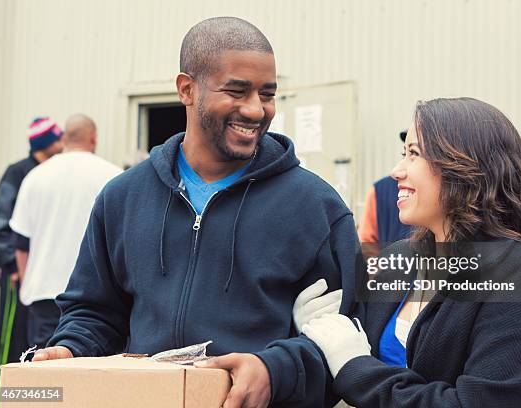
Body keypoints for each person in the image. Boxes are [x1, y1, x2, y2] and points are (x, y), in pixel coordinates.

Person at [33, 17, 359, 408]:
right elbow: (96, 311)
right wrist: (70, 348)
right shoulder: (122, 198)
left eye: (267, 94)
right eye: (236, 91)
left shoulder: (316, 208)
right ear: (187, 89)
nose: (256, 110)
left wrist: (275, 371)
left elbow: (345, 339)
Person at [297, 97, 521, 407]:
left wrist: (355, 365)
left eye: (414, 154)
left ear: (465, 166)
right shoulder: (398, 260)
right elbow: (344, 370)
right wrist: (318, 335)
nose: (396, 171)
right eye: (402, 154)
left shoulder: (519, 275)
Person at [9, 114, 121, 349]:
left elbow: (21, 242)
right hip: (94, 300)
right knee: (86, 377)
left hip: (43, 294)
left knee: (40, 375)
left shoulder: (35, 176)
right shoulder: (114, 177)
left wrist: (27, 288)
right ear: (94, 138)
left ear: (64, 138)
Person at [0, 117, 63, 363]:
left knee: (36, 347)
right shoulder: (18, 172)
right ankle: (4, 395)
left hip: (41, 276)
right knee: (13, 338)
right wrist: (12, 264)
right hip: (17, 275)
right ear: (45, 143)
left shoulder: (55, 172)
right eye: (57, 138)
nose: (62, 142)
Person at [358, 130, 413, 243]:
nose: (396, 172)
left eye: (415, 153)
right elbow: (367, 243)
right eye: (405, 153)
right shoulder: (379, 190)